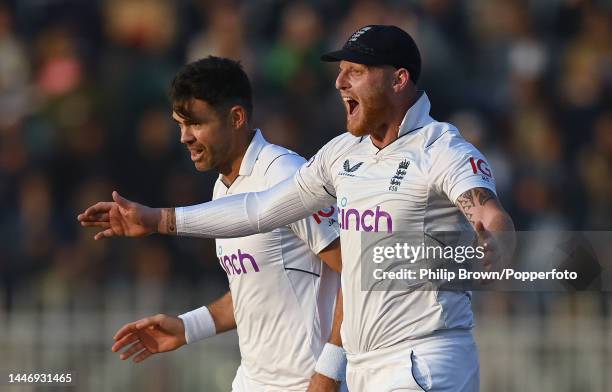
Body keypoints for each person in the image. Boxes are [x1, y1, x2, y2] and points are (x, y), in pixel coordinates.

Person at [80, 26, 515, 391]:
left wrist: (493, 237)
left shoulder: (439, 147)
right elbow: (260, 212)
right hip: (359, 369)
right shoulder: (342, 155)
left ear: (399, 80)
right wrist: (158, 220)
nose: (340, 83)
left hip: (422, 357)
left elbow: (486, 211)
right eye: (341, 72)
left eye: (355, 72)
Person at [82, 56, 347, 392]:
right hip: (251, 382)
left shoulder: (285, 174)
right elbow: (253, 290)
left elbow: (353, 274)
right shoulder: (222, 187)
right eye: (179, 125)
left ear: (236, 117)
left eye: (195, 123)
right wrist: (187, 327)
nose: (184, 138)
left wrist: (328, 373)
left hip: (305, 384)